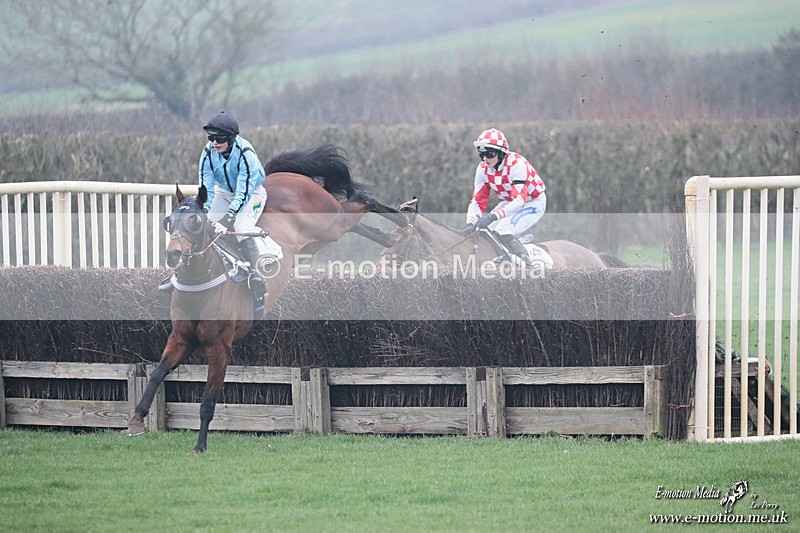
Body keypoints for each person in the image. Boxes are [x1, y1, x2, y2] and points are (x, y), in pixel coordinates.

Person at [198, 111, 281, 307]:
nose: (214, 142)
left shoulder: (246, 154)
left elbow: (243, 192)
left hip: (252, 194)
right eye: (211, 137)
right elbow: (205, 186)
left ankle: (255, 274)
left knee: (241, 225)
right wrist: (204, 211)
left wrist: (229, 216)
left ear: (231, 138)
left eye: (219, 138)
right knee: (206, 226)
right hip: (224, 193)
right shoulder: (208, 152)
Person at [462, 128, 546, 266]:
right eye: (481, 154)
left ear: (501, 153)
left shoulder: (516, 164)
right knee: (484, 232)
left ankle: (528, 266)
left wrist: (492, 216)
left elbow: (519, 202)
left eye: (489, 154)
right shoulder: (482, 169)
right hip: (509, 202)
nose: (485, 159)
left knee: (502, 229)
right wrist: (470, 223)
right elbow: (477, 201)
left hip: (533, 202)